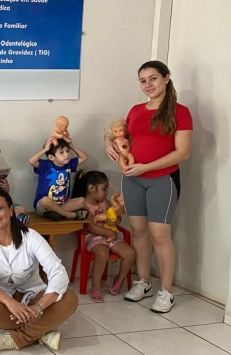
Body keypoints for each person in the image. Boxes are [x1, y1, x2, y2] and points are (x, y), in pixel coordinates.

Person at [105, 60, 192, 313]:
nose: (148, 85)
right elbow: (120, 136)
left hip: (162, 179)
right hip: (132, 179)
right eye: (143, 80)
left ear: (166, 78)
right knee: (138, 231)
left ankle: (166, 291)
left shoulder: (180, 111)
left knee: (159, 235)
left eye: (153, 78)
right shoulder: (135, 110)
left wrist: (147, 167)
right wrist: (107, 143)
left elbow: (183, 152)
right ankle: (143, 282)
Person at [0, 189, 78, 352]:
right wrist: (10, 302)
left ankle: (15, 338)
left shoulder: (31, 237)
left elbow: (58, 272)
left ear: (11, 210)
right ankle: (42, 331)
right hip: (2, 304)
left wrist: (39, 308)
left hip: (33, 298)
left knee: (70, 298)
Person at [73, 171, 136, 302]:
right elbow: (91, 227)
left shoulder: (105, 203)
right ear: (91, 188)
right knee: (102, 253)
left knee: (130, 253)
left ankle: (119, 280)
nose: (107, 192)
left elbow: (115, 218)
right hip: (92, 238)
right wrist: (110, 233)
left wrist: (115, 222)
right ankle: (96, 286)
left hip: (110, 236)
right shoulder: (83, 205)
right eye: (104, 189)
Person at [28, 137, 89, 221]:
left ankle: (57, 214)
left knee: (82, 201)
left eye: (67, 151)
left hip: (63, 204)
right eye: (61, 152)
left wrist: (71, 146)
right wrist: (45, 149)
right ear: (51, 157)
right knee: (45, 200)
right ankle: (68, 214)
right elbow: (31, 161)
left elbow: (84, 157)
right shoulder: (46, 165)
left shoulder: (69, 164)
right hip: (44, 206)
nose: (67, 154)